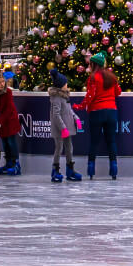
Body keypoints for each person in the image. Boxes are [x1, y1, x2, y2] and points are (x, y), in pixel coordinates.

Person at [84, 52, 123, 181]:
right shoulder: (112, 77)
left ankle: (91, 170)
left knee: (94, 142)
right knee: (111, 141)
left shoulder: (92, 78)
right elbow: (118, 92)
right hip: (111, 111)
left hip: (96, 112)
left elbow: (90, 95)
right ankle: (114, 170)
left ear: (94, 64)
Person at [49, 70, 85, 182]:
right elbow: (56, 114)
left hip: (67, 128)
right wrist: (63, 128)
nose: (67, 85)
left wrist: (76, 119)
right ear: (60, 86)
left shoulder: (65, 96)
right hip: (60, 129)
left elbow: (69, 111)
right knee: (59, 148)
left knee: (69, 148)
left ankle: (70, 170)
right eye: (65, 83)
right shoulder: (56, 98)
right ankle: (55, 170)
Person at [0, 71, 22, 174]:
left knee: (11, 142)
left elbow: (8, 109)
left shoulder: (8, 92)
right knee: (5, 143)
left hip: (10, 122)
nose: (2, 84)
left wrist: (0, 121)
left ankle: (15, 164)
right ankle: (8, 162)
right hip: (2, 125)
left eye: (3, 82)